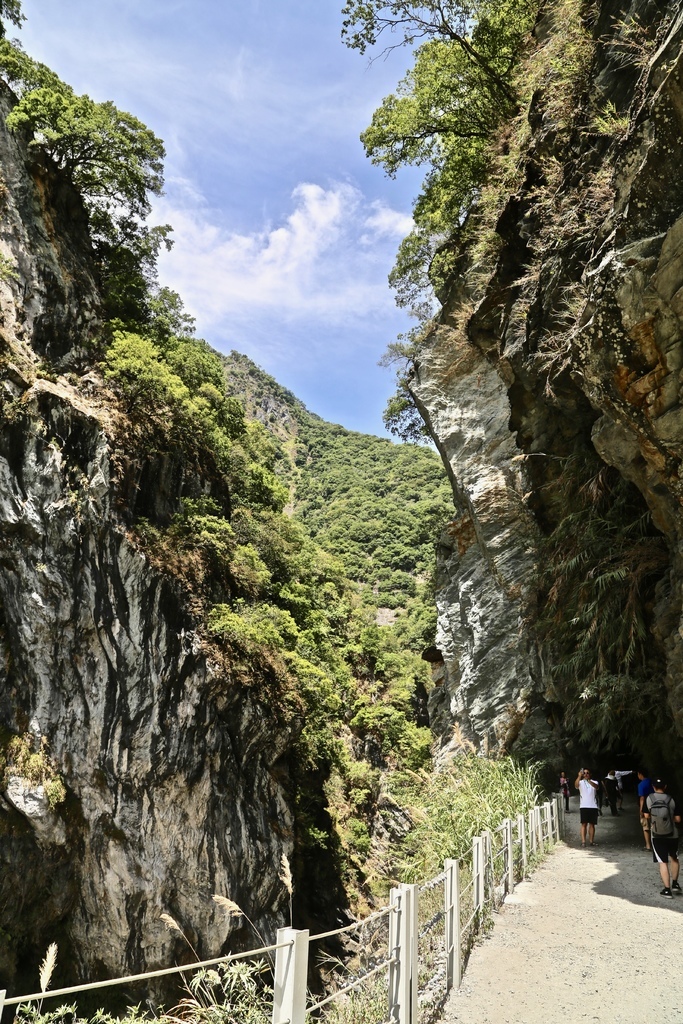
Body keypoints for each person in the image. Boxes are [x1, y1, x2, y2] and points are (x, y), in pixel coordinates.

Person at [643, 779, 681, 899]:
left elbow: (646, 816)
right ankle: (675, 884)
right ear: (665, 786)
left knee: (662, 861)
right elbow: (678, 819)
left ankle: (667, 890)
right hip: (672, 834)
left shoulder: (649, 798)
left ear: (653, 787)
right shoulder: (672, 799)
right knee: (674, 857)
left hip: (657, 834)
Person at [574, 767, 600, 847]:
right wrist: (579, 776)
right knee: (584, 824)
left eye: (587, 773)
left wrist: (588, 781)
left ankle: (591, 841)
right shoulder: (580, 782)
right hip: (584, 806)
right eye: (584, 773)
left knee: (592, 824)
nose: (585, 774)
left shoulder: (594, 782)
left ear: (590, 774)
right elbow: (576, 785)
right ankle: (583, 841)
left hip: (593, 806)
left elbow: (596, 787)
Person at [638, 769, 655, 851]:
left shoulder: (641, 784)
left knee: (646, 826)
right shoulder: (652, 782)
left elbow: (642, 798)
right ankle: (656, 844)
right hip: (655, 804)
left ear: (640, 774)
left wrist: (641, 810)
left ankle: (648, 846)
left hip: (646, 805)